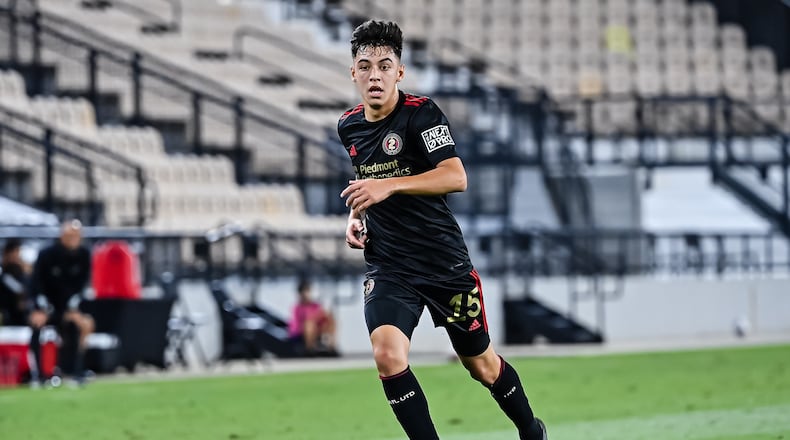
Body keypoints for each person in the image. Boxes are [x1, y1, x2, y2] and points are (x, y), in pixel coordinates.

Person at [337, 20, 547, 440]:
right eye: (365, 66)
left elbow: (455, 176)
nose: (375, 76)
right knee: (387, 356)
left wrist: (389, 186)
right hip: (390, 265)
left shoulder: (422, 114)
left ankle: (531, 431)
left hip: (442, 263)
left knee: (481, 365)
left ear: (399, 72)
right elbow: (368, 180)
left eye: (384, 66)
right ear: (353, 73)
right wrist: (356, 215)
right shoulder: (349, 125)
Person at [29, 220, 94, 385]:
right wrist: (43, 308)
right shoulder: (47, 255)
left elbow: (82, 287)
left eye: (76, 236)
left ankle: (74, 371)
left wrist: (73, 308)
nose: (73, 240)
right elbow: (36, 285)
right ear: (62, 236)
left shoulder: (84, 255)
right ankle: (40, 374)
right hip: (47, 306)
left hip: (68, 308)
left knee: (80, 325)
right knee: (37, 325)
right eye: (70, 236)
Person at [288, 279, 338, 356]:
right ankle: (309, 349)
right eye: (304, 292)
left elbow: (322, 319)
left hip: (316, 330)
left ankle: (331, 347)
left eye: (307, 291)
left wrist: (326, 316)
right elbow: (297, 325)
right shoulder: (297, 308)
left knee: (331, 320)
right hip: (301, 332)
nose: (306, 294)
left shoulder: (315, 305)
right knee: (309, 324)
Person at [0, 238, 32, 327]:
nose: (16, 255)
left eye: (18, 251)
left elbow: (26, 288)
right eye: (14, 251)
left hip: (22, 313)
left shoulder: (23, 270)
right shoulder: (4, 272)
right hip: (6, 311)